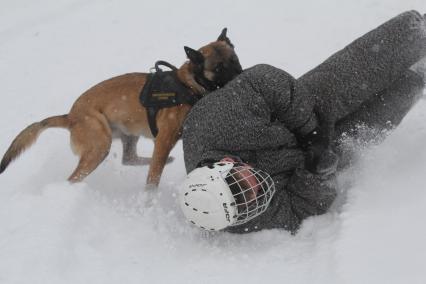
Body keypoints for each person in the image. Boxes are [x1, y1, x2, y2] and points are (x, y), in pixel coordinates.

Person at [180, 11, 426, 233]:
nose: (255, 188)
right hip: (315, 158)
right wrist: (315, 173)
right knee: (389, 108)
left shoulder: (214, 123)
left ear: (226, 163)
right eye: (248, 198)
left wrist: (309, 130)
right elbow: (298, 211)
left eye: (244, 182)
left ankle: (420, 30)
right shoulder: (236, 213)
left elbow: (262, 79)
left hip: (304, 107)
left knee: (370, 63)